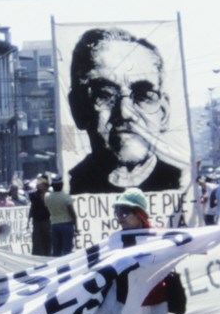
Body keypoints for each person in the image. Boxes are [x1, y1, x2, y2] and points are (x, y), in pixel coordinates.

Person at [65, 27, 185, 194]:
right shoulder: (71, 186)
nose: (125, 113)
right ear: (78, 109)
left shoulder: (183, 184)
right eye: (105, 95)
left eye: (143, 96)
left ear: (164, 112)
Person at [44, 176, 77, 256]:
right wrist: (76, 226)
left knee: (56, 250)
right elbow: (72, 213)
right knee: (67, 250)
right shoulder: (66, 197)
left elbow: (47, 207)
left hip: (54, 225)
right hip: (66, 224)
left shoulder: (47, 196)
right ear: (62, 185)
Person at [27, 176, 52, 256]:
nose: (39, 185)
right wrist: (28, 220)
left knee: (47, 239)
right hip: (37, 221)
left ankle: (48, 254)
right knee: (37, 241)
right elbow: (32, 207)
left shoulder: (50, 195)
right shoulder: (33, 195)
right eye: (38, 184)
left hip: (47, 220)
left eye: (41, 184)